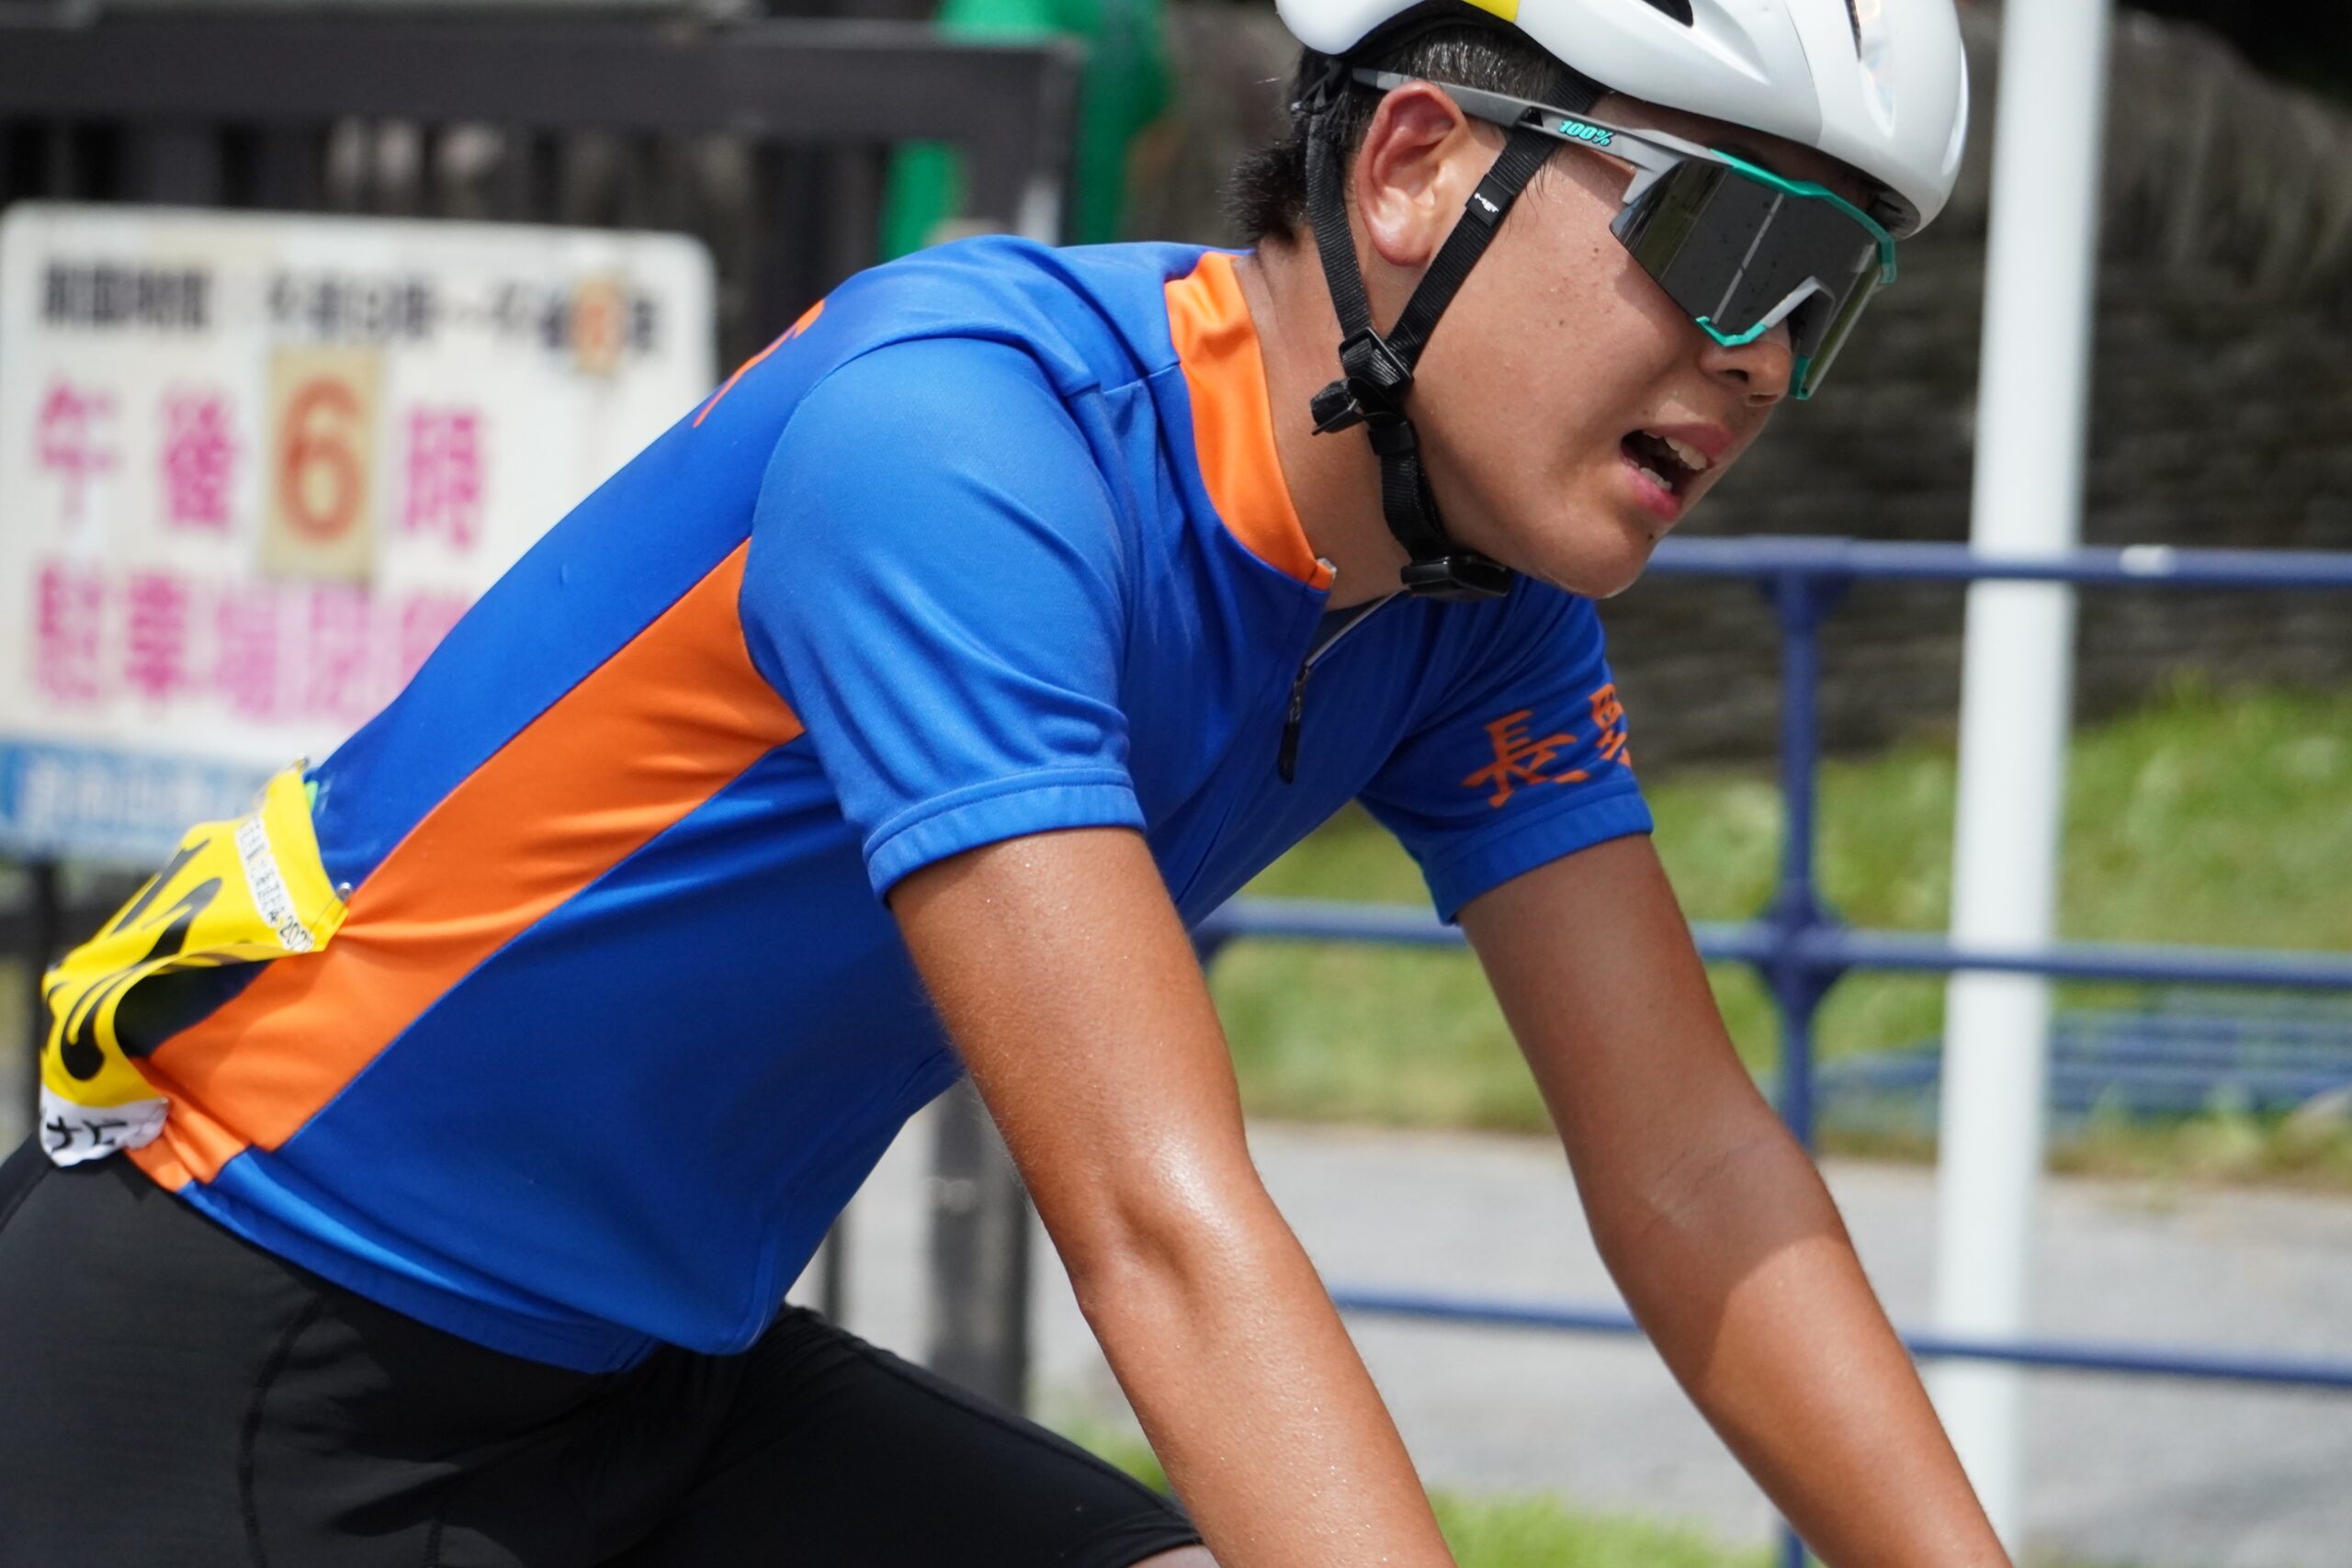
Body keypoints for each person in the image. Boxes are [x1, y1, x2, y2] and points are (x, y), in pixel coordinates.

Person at [0, 0, 2007, 1563]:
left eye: (1830, 292)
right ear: (1413, 166)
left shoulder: (1467, 608)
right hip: (257, 1341)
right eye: (1731, 236)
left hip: (655, 1381)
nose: (1764, 355)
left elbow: (1691, 1171)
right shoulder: (967, 445)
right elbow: (1152, 1216)